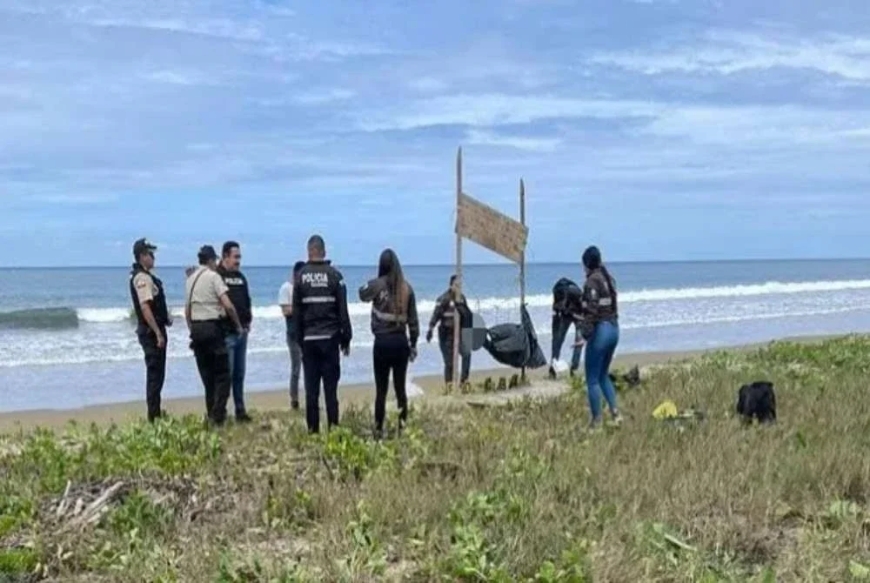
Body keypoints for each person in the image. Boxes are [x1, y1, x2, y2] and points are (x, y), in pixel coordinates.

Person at [292, 235, 353, 433]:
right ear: (324, 252)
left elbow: (296, 314)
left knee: (311, 390)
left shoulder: (300, 277)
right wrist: (346, 338)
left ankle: (313, 431)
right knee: (330, 389)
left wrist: (300, 341)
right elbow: (343, 311)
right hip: (330, 339)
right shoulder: (336, 276)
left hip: (309, 341)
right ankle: (334, 429)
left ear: (309, 251)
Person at [358, 249, 420, 438]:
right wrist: (413, 344)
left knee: (381, 391)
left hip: (382, 343)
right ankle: (401, 429)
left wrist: (369, 284)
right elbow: (413, 322)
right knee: (400, 389)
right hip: (401, 343)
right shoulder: (407, 288)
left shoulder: (377, 285)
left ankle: (378, 431)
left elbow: (361, 293)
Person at [185, 245, 244, 427]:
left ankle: (211, 413)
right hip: (213, 329)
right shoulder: (213, 277)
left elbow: (187, 311)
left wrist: (192, 330)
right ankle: (218, 415)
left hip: (196, 329)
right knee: (223, 375)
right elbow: (228, 305)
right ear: (211, 260)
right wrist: (238, 326)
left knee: (207, 377)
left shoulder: (191, 279)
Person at [574, 246, 622, 428]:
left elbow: (591, 313)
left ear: (587, 264)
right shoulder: (608, 279)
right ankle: (616, 413)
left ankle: (596, 422)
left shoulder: (591, 282)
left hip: (601, 332)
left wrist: (584, 337)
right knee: (603, 375)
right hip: (614, 329)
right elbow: (610, 308)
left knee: (592, 379)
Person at [129, 238, 171, 422]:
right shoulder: (142, 278)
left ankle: (156, 414)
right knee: (155, 376)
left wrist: (166, 318)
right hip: (150, 333)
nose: (153, 257)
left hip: (154, 330)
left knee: (158, 375)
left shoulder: (147, 277)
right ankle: (153, 417)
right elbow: (145, 307)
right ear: (141, 256)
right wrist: (157, 332)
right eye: (149, 254)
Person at [217, 241, 253, 423]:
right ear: (225, 257)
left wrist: (248, 321)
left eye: (239, 257)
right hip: (227, 333)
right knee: (227, 375)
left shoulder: (241, 277)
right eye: (235, 257)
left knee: (239, 374)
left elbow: (246, 300)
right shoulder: (218, 276)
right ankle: (220, 412)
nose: (238, 261)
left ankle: (240, 410)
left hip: (242, 333)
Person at [426, 275, 471, 387]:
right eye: (456, 285)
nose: (458, 288)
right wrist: (430, 329)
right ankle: (449, 386)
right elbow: (435, 315)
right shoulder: (443, 299)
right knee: (449, 362)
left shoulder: (462, 299)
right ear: (451, 285)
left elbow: (467, 315)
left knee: (466, 354)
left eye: (460, 285)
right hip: (446, 334)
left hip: (459, 333)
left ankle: (463, 383)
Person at [278, 260, 306, 410]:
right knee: (296, 368)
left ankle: (310, 398)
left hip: (306, 332)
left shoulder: (303, 289)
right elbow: (286, 311)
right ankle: (294, 400)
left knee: (309, 367)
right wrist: (301, 307)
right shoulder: (286, 288)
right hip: (293, 334)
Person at [550, 278, 584, 378]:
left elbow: (586, 310)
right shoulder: (558, 293)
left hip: (579, 313)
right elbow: (556, 312)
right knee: (557, 340)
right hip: (567, 314)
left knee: (579, 341)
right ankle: (553, 367)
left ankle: (574, 368)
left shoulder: (576, 293)